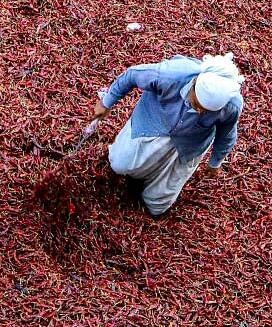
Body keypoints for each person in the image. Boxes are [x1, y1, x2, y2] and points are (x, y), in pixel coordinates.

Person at [94, 53, 245, 216]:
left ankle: (151, 191)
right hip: (153, 123)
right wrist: (107, 102)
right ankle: (138, 175)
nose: (200, 111)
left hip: (190, 144)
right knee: (119, 164)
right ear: (194, 85)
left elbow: (227, 135)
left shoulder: (232, 106)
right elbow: (132, 74)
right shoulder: (171, 75)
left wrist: (215, 162)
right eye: (197, 104)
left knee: (157, 204)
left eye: (207, 111)